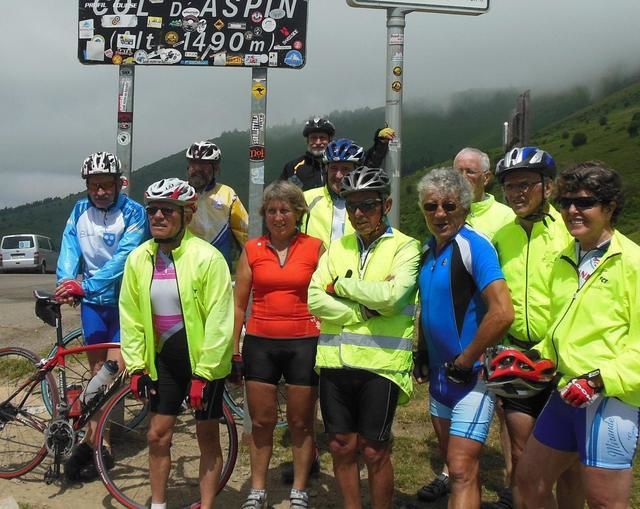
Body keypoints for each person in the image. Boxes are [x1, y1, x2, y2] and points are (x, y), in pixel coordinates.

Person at [516, 162, 640, 509]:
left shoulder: (632, 263)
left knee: (604, 502)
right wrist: (534, 359)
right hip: (566, 391)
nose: (572, 210)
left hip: (610, 399)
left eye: (585, 203)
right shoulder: (565, 258)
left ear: (610, 207)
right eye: (566, 202)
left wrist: (600, 380)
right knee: (528, 485)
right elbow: (564, 328)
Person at [308, 166, 420, 509]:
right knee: (341, 445)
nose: (359, 213)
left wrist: (340, 286)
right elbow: (314, 297)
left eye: (368, 205)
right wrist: (358, 311)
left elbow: (392, 298)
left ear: (385, 205)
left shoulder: (406, 247)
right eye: (352, 205)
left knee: (374, 450)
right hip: (334, 360)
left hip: (381, 365)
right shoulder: (336, 247)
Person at [119, 178, 234, 509]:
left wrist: (205, 373)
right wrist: (137, 366)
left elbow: (219, 321)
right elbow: (131, 318)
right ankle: (158, 505)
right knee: (157, 436)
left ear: (187, 213)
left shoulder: (207, 258)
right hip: (164, 361)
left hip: (202, 364)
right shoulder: (139, 259)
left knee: (206, 437)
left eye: (167, 210)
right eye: (152, 210)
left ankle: (207, 505)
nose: (157, 216)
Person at [418, 147, 514, 503]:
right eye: (431, 206)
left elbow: (503, 312)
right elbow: (428, 308)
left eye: (449, 205)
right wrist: (422, 352)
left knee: (459, 469)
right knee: (459, 469)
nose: (440, 213)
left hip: (471, 378)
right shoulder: (428, 250)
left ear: (463, 205)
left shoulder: (475, 246)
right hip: (441, 381)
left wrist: (466, 359)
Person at [487, 147, 580, 509]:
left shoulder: (569, 235)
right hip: (516, 355)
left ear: (549, 187)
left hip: (562, 360)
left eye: (526, 184)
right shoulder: (501, 236)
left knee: (569, 463)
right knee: (523, 452)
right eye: (510, 186)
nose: (517, 193)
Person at [56, 151, 148, 481]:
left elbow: (125, 257)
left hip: (127, 302)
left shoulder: (135, 212)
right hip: (93, 306)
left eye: (106, 185)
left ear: (118, 184)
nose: (99, 191)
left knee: (112, 372)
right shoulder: (79, 211)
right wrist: (65, 283)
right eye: (94, 186)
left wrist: (86, 285)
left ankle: (93, 444)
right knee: (97, 375)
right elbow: (69, 250)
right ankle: (101, 446)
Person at [233, 181, 324, 509]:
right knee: (261, 421)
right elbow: (239, 304)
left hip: (304, 342)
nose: (278, 216)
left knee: (301, 421)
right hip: (260, 342)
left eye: (284, 210)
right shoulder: (252, 249)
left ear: (298, 212)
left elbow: (326, 297)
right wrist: (234, 348)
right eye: (271, 211)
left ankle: (299, 488)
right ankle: (258, 489)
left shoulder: (316, 247)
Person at [280, 116, 395, 191]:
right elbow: (280, 195)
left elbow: (370, 162)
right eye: (313, 138)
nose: (318, 142)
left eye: (322, 138)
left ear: (330, 140)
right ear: (307, 141)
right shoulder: (293, 167)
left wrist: (380, 142)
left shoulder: (344, 161)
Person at [185, 140, 248, 267]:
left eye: (203, 166)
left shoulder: (228, 194)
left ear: (216, 169)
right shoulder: (179, 193)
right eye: (193, 164)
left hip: (219, 266)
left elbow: (245, 234)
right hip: (186, 266)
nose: (197, 169)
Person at [301, 138, 363, 246]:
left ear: (356, 171)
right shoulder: (305, 199)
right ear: (326, 170)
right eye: (334, 168)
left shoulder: (367, 204)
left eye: (345, 169)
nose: (339, 175)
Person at [453, 147, 514, 240]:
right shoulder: (444, 212)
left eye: (470, 172)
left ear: (486, 178)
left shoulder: (507, 218)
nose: (463, 177)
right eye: (458, 172)